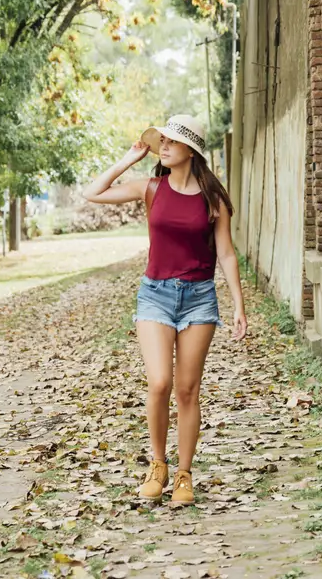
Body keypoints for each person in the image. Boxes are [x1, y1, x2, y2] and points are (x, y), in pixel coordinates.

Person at [83, 114, 248, 506]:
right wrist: (128, 160)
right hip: (155, 295)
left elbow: (226, 253)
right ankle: (158, 465)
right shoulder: (151, 188)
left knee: (188, 390)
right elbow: (93, 192)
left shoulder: (214, 199)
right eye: (163, 142)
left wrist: (238, 305)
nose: (165, 147)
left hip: (199, 298)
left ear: (191, 150)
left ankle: (184, 475)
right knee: (159, 383)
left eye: (172, 142)